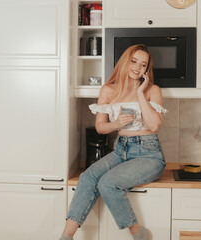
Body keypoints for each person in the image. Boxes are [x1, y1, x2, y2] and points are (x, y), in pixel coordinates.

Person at [59, 44, 167, 240]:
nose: (137, 67)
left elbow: (154, 126)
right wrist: (117, 123)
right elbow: (100, 127)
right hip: (121, 150)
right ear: (125, 61)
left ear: (146, 70)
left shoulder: (153, 90)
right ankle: (66, 236)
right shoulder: (109, 90)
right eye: (134, 61)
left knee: (108, 183)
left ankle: (138, 233)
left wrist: (141, 94)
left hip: (149, 155)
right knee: (88, 177)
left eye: (143, 65)